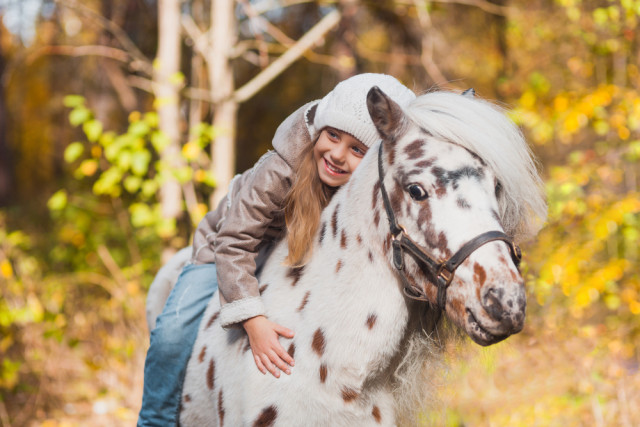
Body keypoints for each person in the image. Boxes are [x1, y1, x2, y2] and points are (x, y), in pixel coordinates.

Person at [137, 73, 416, 426]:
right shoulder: (279, 171)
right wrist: (253, 321)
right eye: (333, 136)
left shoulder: (358, 194)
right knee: (172, 335)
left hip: (290, 258)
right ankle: (155, 419)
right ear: (319, 129)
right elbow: (234, 240)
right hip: (225, 250)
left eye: (357, 149)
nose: (337, 154)